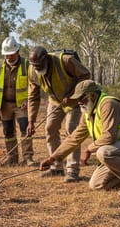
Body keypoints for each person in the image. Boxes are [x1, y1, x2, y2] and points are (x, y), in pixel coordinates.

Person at [39, 80, 120, 196]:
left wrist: (88, 149)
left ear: (92, 95)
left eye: (81, 98)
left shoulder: (108, 104)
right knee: (96, 185)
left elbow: (109, 137)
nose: (78, 102)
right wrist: (52, 158)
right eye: (77, 99)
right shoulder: (88, 112)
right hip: (119, 149)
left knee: (103, 153)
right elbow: (75, 137)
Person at [27, 45, 91, 182]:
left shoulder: (66, 61)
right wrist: (31, 121)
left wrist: (73, 93)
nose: (37, 68)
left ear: (46, 59)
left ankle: (72, 170)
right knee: (50, 129)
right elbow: (33, 96)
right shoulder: (32, 71)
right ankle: (56, 167)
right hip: (55, 102)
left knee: (71, 131)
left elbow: (85, 75)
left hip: (73, 102)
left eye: (39, 65)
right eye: (34, 66)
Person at [0, 36, 35, 166]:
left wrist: (28, 99)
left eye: (11, 55)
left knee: (25, 130)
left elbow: (34, 85)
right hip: (4, 105)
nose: (8, 58)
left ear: (17, 52)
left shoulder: (27, 65)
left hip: (22, 105)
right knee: (8, 132)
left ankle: (28, 158)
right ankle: (12, 158)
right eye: (6, 55)